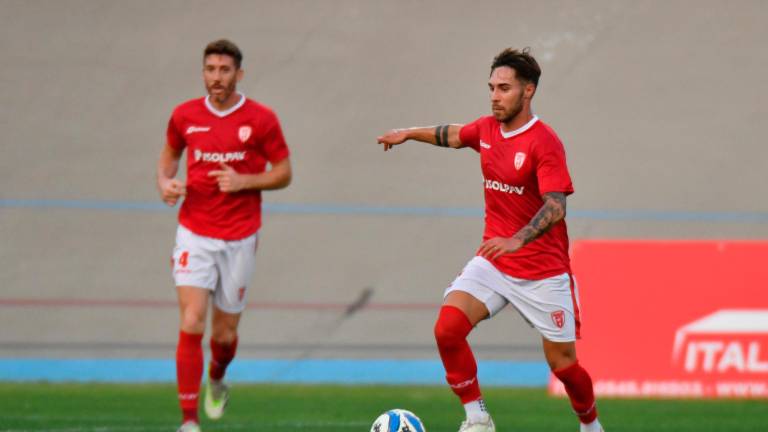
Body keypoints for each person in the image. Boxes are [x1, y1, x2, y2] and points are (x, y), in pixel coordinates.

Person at [377, 48, 604, 432]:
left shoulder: (544, 142)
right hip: (495, 262)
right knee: (447, 329)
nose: (494, 96)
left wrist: (519, 238)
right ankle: (477, 417)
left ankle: (591, 425)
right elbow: (450, 134)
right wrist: (409, 134)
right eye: (491, 88)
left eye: (504, 88)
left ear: (528, 91)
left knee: (564, 365)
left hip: (543, 272)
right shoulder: (485, 129)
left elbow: (556, 206)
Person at [157, 39, 292, 432]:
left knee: (224, 334)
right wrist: (165, 183)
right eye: (211, 70)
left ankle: (216, 380)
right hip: (194, 234)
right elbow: (168, 158)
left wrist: (244, 180)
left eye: (225, 70)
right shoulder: (184, 115)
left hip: (240, 237)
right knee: (192, 319)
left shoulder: (262, 119)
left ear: (239, 74)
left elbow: (284, 173)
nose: (217, 78)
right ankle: (188, 422)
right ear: (203, 72)